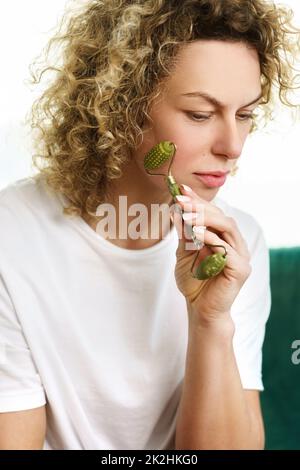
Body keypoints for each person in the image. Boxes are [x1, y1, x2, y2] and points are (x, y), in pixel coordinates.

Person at [0, 0, 299, 451]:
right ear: (121, 106)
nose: (233, 146)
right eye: (200, 114)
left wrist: (210, 321)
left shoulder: (235, 242)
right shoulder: (13, 237)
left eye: (245, 115)